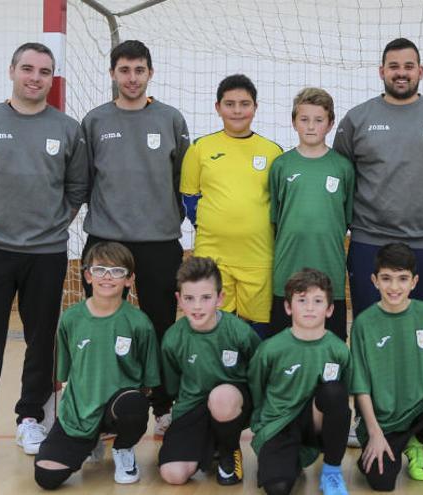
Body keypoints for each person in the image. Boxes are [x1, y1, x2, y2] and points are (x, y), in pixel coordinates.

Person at [0, 42, 89, 469]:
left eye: (44, 71)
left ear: (51, 78)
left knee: (42, 340)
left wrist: (53, 226)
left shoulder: (68, 128)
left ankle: (30, 418)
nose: (35, 77)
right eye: (28, 69)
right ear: (12, 71)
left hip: (46, 254)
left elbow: (77, 187)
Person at [80, 39, 190, 435]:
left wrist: (168, 218)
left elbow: (182, 179)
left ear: (150, 73)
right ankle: (109, 408)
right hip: (106, 241)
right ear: (113, 73)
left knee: (160, 325)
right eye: (124, 70)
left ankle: (163, 407)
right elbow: (83, 178)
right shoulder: (94, 121)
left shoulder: (171, 119)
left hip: (160, 241)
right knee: (106, 326)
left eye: (138, 70)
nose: (131, 78)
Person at [333, 37, 423, 317]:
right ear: (381, 71)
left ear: (421, 71)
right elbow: (341, 177)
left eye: (409, 66)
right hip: (369, 241)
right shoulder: (357, 119)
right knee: (370, 329)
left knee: (422, 330)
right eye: (393, 66)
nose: (401, 72)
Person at [32, 242, 159, 489]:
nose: (108, 277)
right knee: (46, 477)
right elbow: (64, 375)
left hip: (117, 408)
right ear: (88, 276)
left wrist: (135, 403)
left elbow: (149, 382)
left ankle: (123, 449)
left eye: (117, 271)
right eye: (100, 270)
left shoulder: (139, 323)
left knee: (134, 403)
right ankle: (90, 439)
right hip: (79, 414)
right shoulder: (71, 319)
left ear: (129, 280)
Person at [349, 243, 423, 491]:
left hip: (422, 409)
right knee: (380, 482)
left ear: (414, 282)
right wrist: (374, 433)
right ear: (374, 281)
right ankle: (405, 444)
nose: (394, 287)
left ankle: (414, 441)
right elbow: (360, 386)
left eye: (402, 279)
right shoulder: (363, 323)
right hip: (384, 420)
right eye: (387, 279)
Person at [180, 74, 283, 339]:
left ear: (255, 107)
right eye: (230, 104)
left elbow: (279, 202)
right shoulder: (200, 148)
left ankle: (253, 381)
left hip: (258, 257)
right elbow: (188, 196)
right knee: (213, 330)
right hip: (214, 256)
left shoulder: (273, 151)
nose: (237, 110)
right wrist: (214, 225)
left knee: (257, 335)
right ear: (218, 107)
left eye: (244, 104)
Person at [158, 256, 261, 486]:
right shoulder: (173, 338)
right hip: (193, 406)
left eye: (205, 298)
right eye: (189, 298)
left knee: (221, 396)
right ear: (179, 300)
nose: (197, 306)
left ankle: (229, 449)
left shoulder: (239, 332)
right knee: (173, 475)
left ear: (220, 298)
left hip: (232, 405)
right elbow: (173, 386)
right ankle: (211, 441)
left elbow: (259, 372)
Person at [249, 268, 352, 495]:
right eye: (302, 300)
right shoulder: (271, 349)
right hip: (279, 424)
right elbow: (256, 389)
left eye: (317, 301)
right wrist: (260, 428)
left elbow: (345, 398)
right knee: (277, 488)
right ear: (288, 307)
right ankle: (283, 459)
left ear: (330, 309)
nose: (309, 307)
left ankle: (332, 471)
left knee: (335, 392)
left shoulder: (338, 350)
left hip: (314, 423)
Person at [269, 87, 354, 341]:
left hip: (330, 269)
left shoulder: (343, 167)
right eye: (304, 119)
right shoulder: (282, 165)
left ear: (330, 124)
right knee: (285, 346)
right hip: (288, 268)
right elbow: (275, 218)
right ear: (294, 122)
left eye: (319, 120)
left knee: (332, 348)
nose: (311, 126)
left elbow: (346, 218)